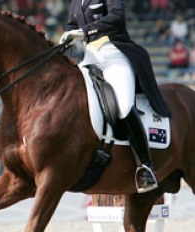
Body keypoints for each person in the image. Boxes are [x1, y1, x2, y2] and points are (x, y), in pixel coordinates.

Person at [59, 0, 170, 193]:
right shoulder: (77, 1)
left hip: (113, 55)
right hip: (89, 58)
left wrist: (85, 31)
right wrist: (68, 36)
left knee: (124, 106)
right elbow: (72, 25)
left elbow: (116, 17)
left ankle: (145, 166)